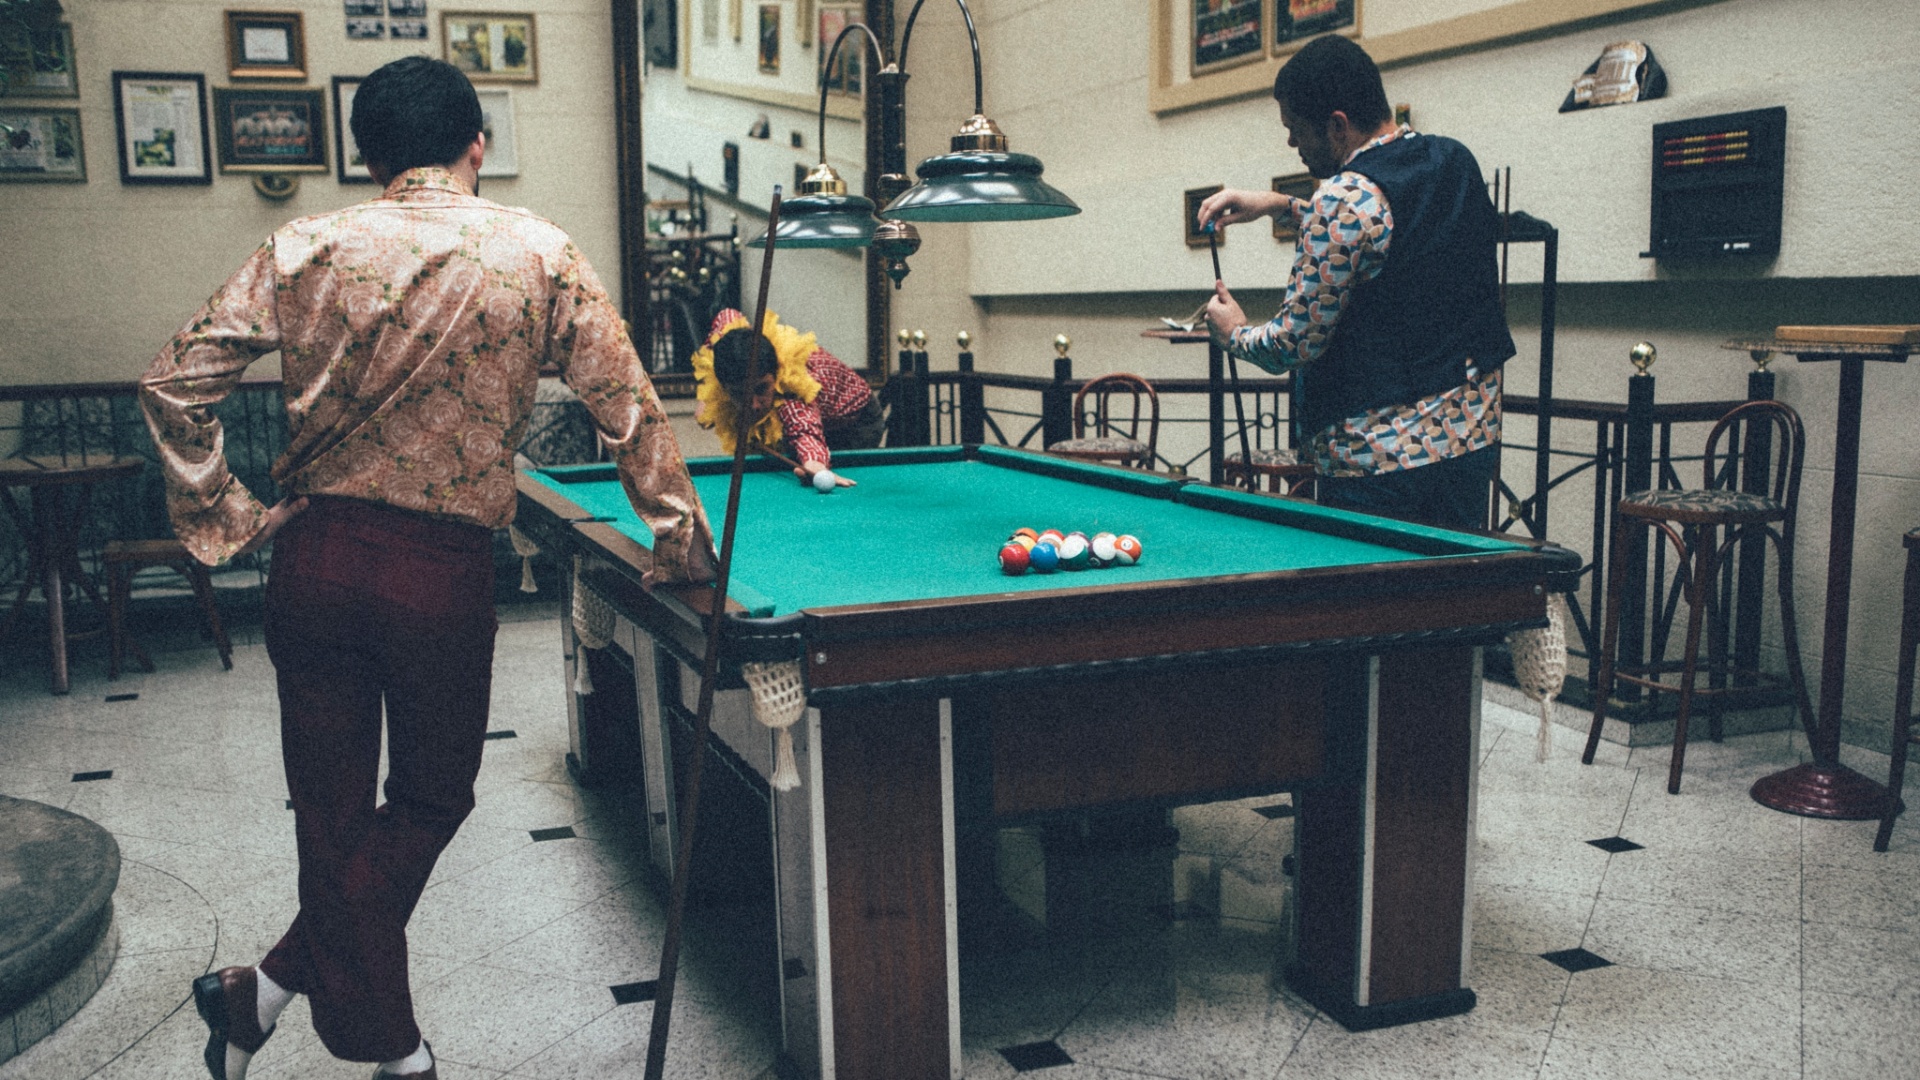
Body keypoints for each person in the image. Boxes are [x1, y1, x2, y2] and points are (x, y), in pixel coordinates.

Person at [139, 56, 716, 1080]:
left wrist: (229, 517)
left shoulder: (303, 244)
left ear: (367, 154)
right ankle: (390, 1054)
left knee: (330, 820)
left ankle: (259, 998)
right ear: (474, 145)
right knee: (430, 800)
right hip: (438, 575)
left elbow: (172, 386)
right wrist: (677, 539)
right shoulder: (538, 251)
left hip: (313, 563)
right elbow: (627, 405)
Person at [1198, 34, 1514, 531]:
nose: (1291, 144)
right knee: (1455, 598)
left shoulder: (1342, 199)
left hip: (1382, 466)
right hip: (1471, 441)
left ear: (1338, 125)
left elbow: (1292, 344)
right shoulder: (1453, 159)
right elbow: (1397, 243)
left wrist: (1233, 331)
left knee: (1373, 609)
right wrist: (1282, 204)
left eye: (1295, 130)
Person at [690, 308, 883, 486]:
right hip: (821, 410)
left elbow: (804, 431)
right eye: (740, 394)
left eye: (761, 389)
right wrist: (707, 398)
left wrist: (815, 465)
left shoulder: (791, 396)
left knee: (805, 467)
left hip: (856, 421)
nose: (754, 405)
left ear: (775, 374)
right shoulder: (727, 342)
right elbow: (726, 314)